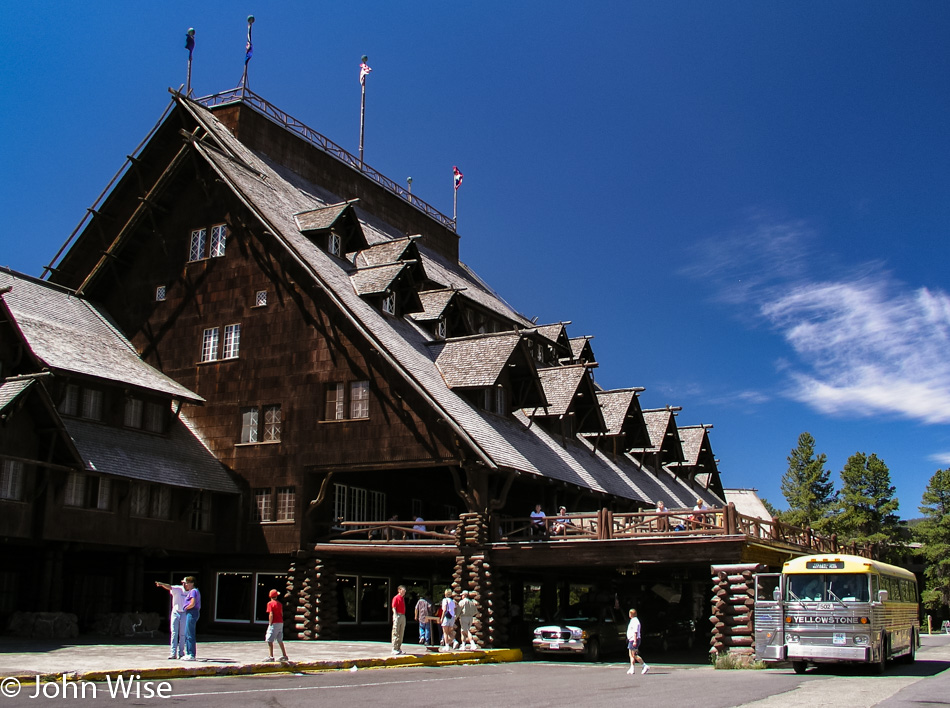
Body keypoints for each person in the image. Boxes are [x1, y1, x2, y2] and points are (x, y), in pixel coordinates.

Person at [154, 579, 186, 659]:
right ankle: (173, 653)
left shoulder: (191, 591)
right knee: (174, 633)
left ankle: (181, 653)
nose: (185, 584)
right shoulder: (178, 589)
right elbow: (169, 587)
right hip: (176, 612)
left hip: (185, 613)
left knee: (182, 634)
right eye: (184, 582)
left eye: (186, 583)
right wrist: (161, 584)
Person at [264, 589, 289, 662]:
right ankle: (284, 655)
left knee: (269, 639)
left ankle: (271, 656)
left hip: (274, 623)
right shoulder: (280, 604)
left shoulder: (270, 604)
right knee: (280, 639)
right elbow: (281, 613)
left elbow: (271, 614)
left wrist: (270, 623)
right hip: (280, 622)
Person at [181, 576, 201, 661]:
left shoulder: (193, 591)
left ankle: (191, 654)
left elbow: (192, 603)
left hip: (192, 612)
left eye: (186, 583)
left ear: (191, 583)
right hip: (190, 612)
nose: (185, 585)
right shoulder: (191, 591)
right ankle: (188, 652)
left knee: (190, 634)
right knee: (187, 633)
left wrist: (186, 608)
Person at [626, 608, 650, 675]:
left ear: (631, 614)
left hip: (634, 640)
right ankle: (632, 668)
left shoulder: (635, 621)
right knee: (631, 655)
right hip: (631, 639)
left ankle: (644, 665)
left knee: (635, 655)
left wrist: (635, 641)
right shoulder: (632, 620)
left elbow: (635, 632)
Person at [391, 584, 407, 655]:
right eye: (403, 591)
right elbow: (393, 607)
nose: (404, 592)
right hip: (398, 615)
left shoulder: (402, 598)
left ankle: (399, 648)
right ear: (399, 590)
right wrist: (395, 615)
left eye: (405, 591)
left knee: (401, 632)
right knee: (396, 632)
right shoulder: (396, 598)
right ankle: (394, 648)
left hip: (403, 615)